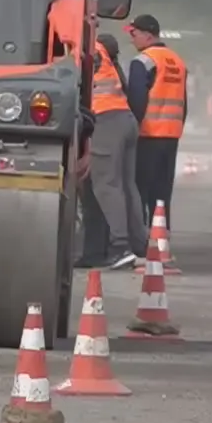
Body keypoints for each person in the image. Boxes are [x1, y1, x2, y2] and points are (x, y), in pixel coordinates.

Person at [82, 33, 144, 270]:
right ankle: (136, 244)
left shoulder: (90, 49)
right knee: (126, 185)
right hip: (124, 119)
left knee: (106, 185)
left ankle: (120, 246)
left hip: (105, 119)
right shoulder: (106, 56)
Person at [126, 14, 188, 227]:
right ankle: (161, 237)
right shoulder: (177, 61)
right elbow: (184, 102)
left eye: (133, 34)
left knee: (140, 190)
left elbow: (136, 99)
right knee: (162, 192)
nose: (131, 39)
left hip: (147, 134)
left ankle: (141, 239)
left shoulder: (143, 61)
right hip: (171, 136)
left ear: (147, 35)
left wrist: (131, 129)